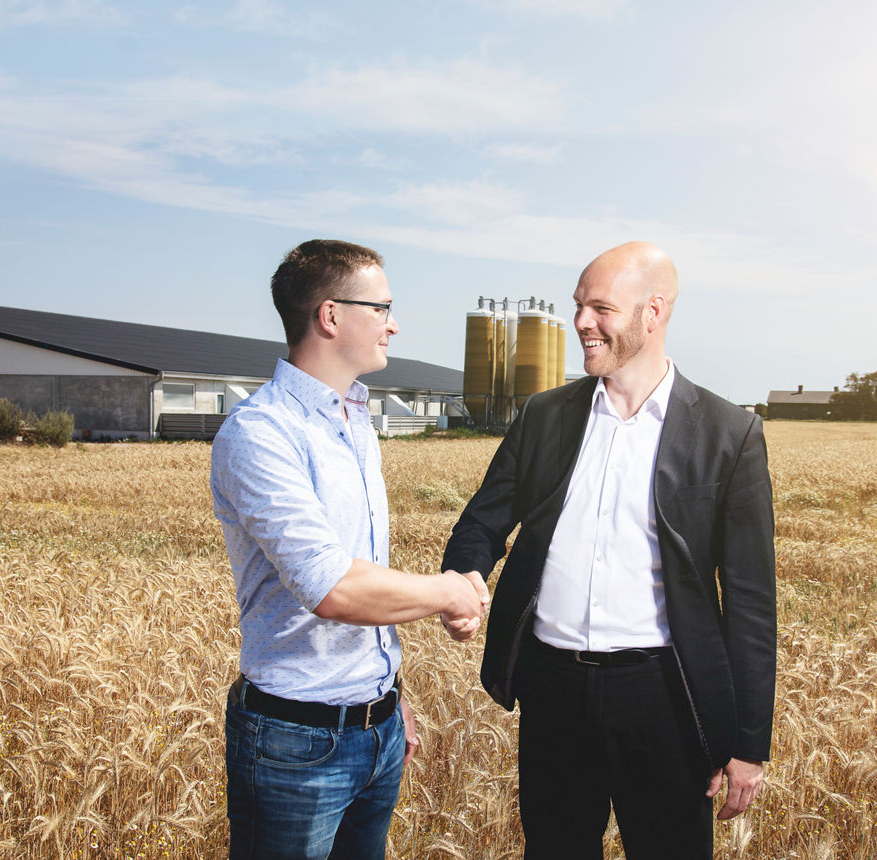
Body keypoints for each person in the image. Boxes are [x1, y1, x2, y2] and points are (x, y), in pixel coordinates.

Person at [441, 241, 776, 859]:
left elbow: (752, 602)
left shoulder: (730, 433)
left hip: (665, 700)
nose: (582, 323)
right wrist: (462, 581)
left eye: (601, 308)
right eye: (578, 306)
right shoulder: (544, 415)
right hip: (553, 692)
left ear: (653, 313)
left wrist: (748, 741)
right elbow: (481, 524)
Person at [211, 239, 489, 860]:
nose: (394, 323)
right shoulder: (261, 433)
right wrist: (449, 591)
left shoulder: (356, 420)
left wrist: (387, 700)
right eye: (382, 307)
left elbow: (369, 568)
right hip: (295, 744)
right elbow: (334, 588)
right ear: (331, 316)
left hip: (377, 730)